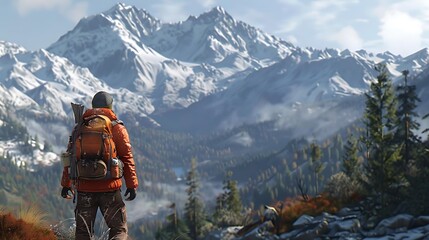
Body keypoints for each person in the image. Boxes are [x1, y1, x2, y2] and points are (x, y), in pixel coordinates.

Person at [60, 91, 139, 240]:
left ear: (93, 106)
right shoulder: (116, 127)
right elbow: (127, 157)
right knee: (118, 230)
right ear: (110, 106)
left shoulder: (80, 127)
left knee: (83, 233)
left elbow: (70, 157)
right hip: (110, 188)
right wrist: (131, 184)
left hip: (84, 189)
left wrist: (66, 184)